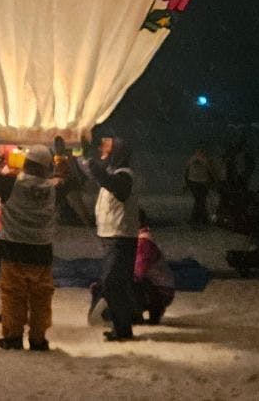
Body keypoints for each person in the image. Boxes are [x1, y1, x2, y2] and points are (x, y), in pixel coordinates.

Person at [0, 144, 57, 351]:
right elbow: (72, 179)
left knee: (13, 295)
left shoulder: (11, 184)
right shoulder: (53, 188)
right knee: (41, 297)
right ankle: (38, 338)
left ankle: (13, 337)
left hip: (13, 248)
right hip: (41, 250)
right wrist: (65, 154)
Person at [82, 132, 141, 341]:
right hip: (112, 236)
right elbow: (100, 177)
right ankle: (122, 328)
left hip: (121, 237)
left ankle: (123, 327)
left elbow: (111, 184)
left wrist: (91, 164)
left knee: (113, 283)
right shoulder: (113, 174)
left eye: (107, 145)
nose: (102, 149)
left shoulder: (124, 176)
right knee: (116, 284)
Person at [134, 225, 177, 324]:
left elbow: (139, 272)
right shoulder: (144, 241)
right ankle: (154, 311)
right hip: (163, 289)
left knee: (129, 284)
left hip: (160, 291)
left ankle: (135, 314)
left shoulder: (144, 244)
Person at [52, 136, 94, 227]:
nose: (58, 147)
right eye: (56, 145)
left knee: (77, 202)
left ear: (63, 145)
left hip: (70, 183)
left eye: (60, 145)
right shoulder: (52, 157)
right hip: (58, 184)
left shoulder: (69, 157)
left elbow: (75, 171)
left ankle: (88, 223)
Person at [185, 146, 213, 225]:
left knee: (200, 200)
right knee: (200, 200)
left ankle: (198, 218)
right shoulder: (201, 159)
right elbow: (210, 171)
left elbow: (186, 171)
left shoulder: (194, 159)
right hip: (197, 182)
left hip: (198, 182)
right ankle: (200, 218)